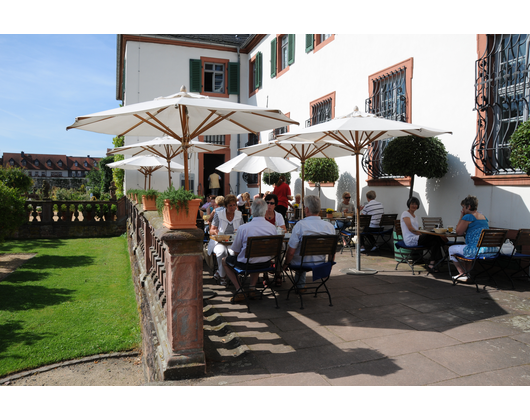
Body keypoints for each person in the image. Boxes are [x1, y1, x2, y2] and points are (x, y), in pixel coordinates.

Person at [222, 198, 278, 302]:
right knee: (256, 257)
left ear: (251, 211)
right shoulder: (272, 228)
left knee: (225, 260)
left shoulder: (244, 228)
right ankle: (252, 288)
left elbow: (236, 251)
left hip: (248, 264)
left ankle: (239, 290)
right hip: (265, 264)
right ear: (265, 211)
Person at [282, 195, 336, 291]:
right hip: (320, 263)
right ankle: (300, 286)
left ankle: (299, 286)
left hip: (301, 264)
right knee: (301, 254)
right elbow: (332, 251)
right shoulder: (329, 227)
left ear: (306, 209)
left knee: (295, 254)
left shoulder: (300, 225)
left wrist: (286, 263)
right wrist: (330, 264)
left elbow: (290, 252)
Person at [448, 195, 497, 281]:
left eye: (463, 207)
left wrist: (461, 216)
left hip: (476, 249)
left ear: (469, 206)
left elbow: (459, 232)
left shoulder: (468, 217)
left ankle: (462, 273)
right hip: (489, 249)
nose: (462, 209)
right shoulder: (483, 217)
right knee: (466, 247)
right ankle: (468, 274)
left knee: (451, 249)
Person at [400, 196, 446, 273]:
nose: (414, 206)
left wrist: (422, 234)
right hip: (410, 239)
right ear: (409, 204)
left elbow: (417, 230)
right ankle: (444, 251)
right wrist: (423, 235)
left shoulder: (415, 216)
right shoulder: (405, 213)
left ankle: (431, 264)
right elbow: (411, 229)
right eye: (412, 204)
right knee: (433, 235)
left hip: (417, 237)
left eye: (416, 204)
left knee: (435, 241)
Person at [208, 194, 243, 285]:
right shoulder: (219, 214)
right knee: (221, 252)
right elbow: (211, 230)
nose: (232, 207)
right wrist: (217, 233)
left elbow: (243, 229)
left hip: (233, 242)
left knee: (232, 253)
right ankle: (223, 276)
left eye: (234, 205)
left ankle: (223, 273)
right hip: (220, 241)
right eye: (230, 205)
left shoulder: (239, 215)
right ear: (225, 206)